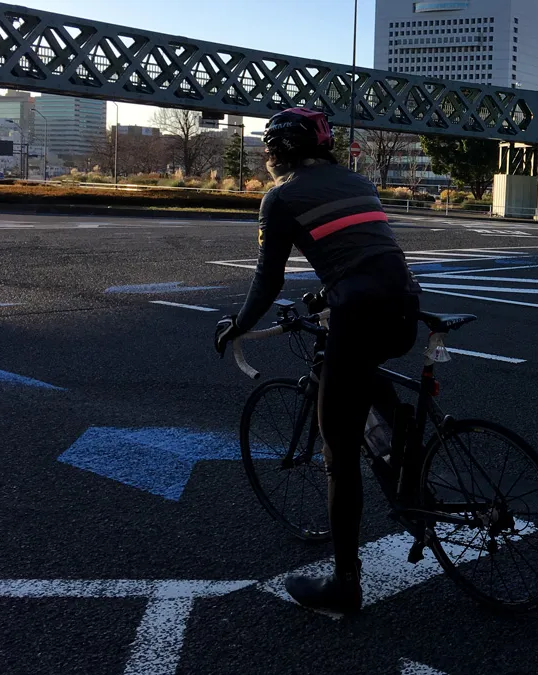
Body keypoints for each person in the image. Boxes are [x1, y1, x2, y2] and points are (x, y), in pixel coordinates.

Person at [213, 108, 421, 613]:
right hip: (404, 307)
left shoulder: (281, 197)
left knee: (339, 456)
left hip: (359, 315)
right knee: (371, 387)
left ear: (279, 151)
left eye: (269, 150)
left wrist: (239, 324)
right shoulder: (358, 181)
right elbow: (363, 254)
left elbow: (269, 278)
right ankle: (415, 494)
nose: (267, 158)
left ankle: (345, 585)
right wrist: (326, 295)